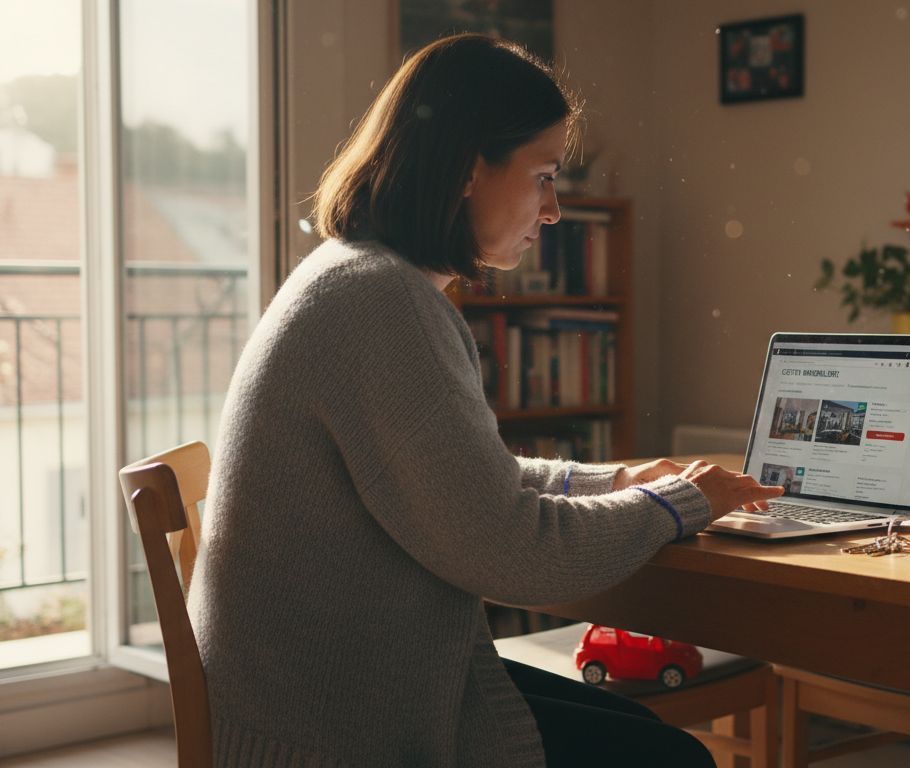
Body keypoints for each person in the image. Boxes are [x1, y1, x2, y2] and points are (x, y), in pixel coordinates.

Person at [188, 33, 784, 768]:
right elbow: (511, 551)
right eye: (542, 176)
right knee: (675, 760)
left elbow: (469, 481)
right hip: (336, 728)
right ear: (471, 169)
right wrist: (679, 507)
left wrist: (616, 482)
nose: (556, 208)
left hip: (331, 698)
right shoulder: (382, 304)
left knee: (657, 745)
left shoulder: (359, 279)